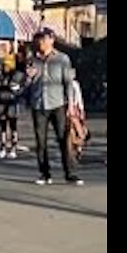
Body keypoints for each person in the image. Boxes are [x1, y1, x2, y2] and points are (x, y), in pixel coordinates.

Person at [26, 30, 82, 186]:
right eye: (38, 41)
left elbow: (68, 82)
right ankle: (44, 173)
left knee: (64, 139)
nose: (40, 44)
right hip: (38, 104)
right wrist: (28, 78)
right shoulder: (32, 60)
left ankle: (70, 173)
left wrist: (71, 104)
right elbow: (27, 85)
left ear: (51, 40)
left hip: (57, 103)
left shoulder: (62, 59)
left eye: (43, 40)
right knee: (40, 141)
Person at [0, 45, 25, 159]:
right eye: (4, 64)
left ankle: (13, 148)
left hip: (12, 103)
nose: (6, 67)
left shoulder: (18, 75)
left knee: (13, 127)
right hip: (1, 102)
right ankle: (3, 147)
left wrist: (16, 89)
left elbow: (22, 90)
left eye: (8, 64)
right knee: (3, 127)